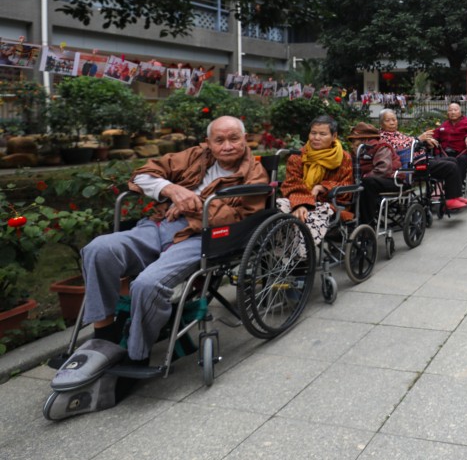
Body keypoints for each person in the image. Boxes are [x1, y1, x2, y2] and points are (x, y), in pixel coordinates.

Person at [54, 116, 267, 419]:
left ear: (246, 139)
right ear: (208, 143)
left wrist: (193, 202)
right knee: (98, 250)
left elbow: (240, 216)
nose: (227, 146)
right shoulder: (194, 156)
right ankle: (107, 335)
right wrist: (170, 190)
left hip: (202, 237)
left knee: (147, 284)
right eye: (219, 140)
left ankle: (136, 356)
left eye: (234, 138)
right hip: (159, 223)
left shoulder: (254, 172)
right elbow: (142, 175)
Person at [278, 115, 355, 243]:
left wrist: (322, 187)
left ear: (334, 136)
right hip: (298, 199)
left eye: (322, 134)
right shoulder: (298, 156)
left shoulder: (343, 158)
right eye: (313, 133)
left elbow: (346, 186)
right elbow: (292, 183)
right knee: (278, 209)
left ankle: (303, 256)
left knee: (308, 220)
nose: (316, 138)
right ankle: (279, 257)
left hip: (330, 204)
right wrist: (301, 203)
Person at [377, 109, 467, 210]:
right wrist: (419, 139)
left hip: (420, 160)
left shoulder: (397, 134)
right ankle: (450, 200)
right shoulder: (382, 137)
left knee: (452, 160)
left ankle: (455, 195)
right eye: (388, 120)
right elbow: (402, 147)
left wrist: (426, 142)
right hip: (410, 166)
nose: (392, 122)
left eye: (394, 119)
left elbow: (410, 141)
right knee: (450, 166)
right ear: (381, 123)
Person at [436, 101, 467, 182]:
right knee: (436, 159)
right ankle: (440, 184)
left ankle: (457, 183)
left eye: (455, 110)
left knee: (462, 159)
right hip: (445, 152)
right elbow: (435, 135)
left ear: (460, 112)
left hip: (461, 152)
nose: (453, 112)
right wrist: (430, 139)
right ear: (447, 113)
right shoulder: (444, 125)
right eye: (450, 110)